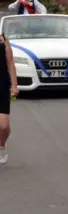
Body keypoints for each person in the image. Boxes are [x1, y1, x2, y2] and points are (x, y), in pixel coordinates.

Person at [0, 34, 18, 164]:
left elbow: (10, 63)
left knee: (4, 126)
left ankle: (2, 146)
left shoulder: (3, 41)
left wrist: (14, 85)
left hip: (2, 87)